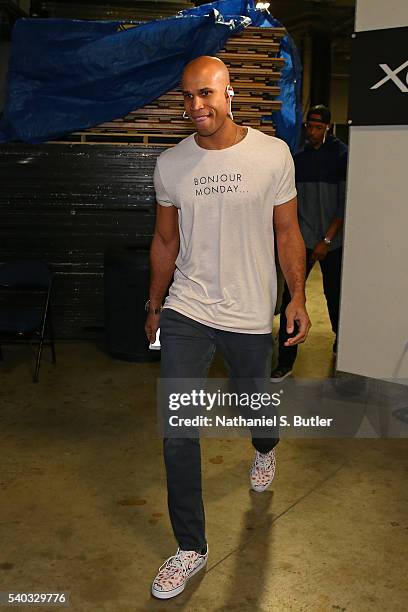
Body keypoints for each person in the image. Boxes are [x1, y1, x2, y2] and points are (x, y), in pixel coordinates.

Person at [145, 56, 310, 600]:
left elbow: (287, 231)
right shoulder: (170, 164)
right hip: (188, 308)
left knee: (254, 402)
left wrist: (298, 298)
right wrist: (154, 302)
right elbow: (166, 241)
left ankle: (265, 446)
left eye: (206, 94)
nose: (197, 106)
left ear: (229, 92)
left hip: (247, 311)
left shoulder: (272, 155)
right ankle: (191, 546)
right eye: (187, 97)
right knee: (177, 429)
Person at [271, 104, 348, 382]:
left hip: (333, 242)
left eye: (318, 127)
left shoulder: (341, 155)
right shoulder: (298, 158)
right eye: (309, 127)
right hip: (302, 239)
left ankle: (343, 343)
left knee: (335, 296)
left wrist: (327, 239)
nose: (313, 132)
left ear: (327, 127)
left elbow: (343, 203)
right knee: (292, 298)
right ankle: (286, 360)